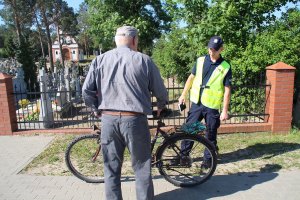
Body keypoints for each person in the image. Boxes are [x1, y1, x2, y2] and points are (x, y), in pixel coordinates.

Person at [82, 25, 168, 200]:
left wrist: (95, 109)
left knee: (111, 168)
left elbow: (86, 91)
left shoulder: (99, 60)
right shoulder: (144, 60)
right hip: (135, 120)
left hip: (108, 120)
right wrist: (161, 104)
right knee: (142, 167)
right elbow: (160, 90)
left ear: (116, 40)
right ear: (134, 40)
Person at [178, 36, 232, 168]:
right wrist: (183, 95)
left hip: (212, 106)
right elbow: (191, 78)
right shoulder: (201, 60)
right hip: (197, 102)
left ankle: (208, 160)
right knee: (189, 130)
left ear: (221, 49)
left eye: (214, 49)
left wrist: (224, 110)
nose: (211, 51)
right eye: (210, 48)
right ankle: (183, 156)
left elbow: (227, 90)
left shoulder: (225, 66)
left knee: (210, 133)